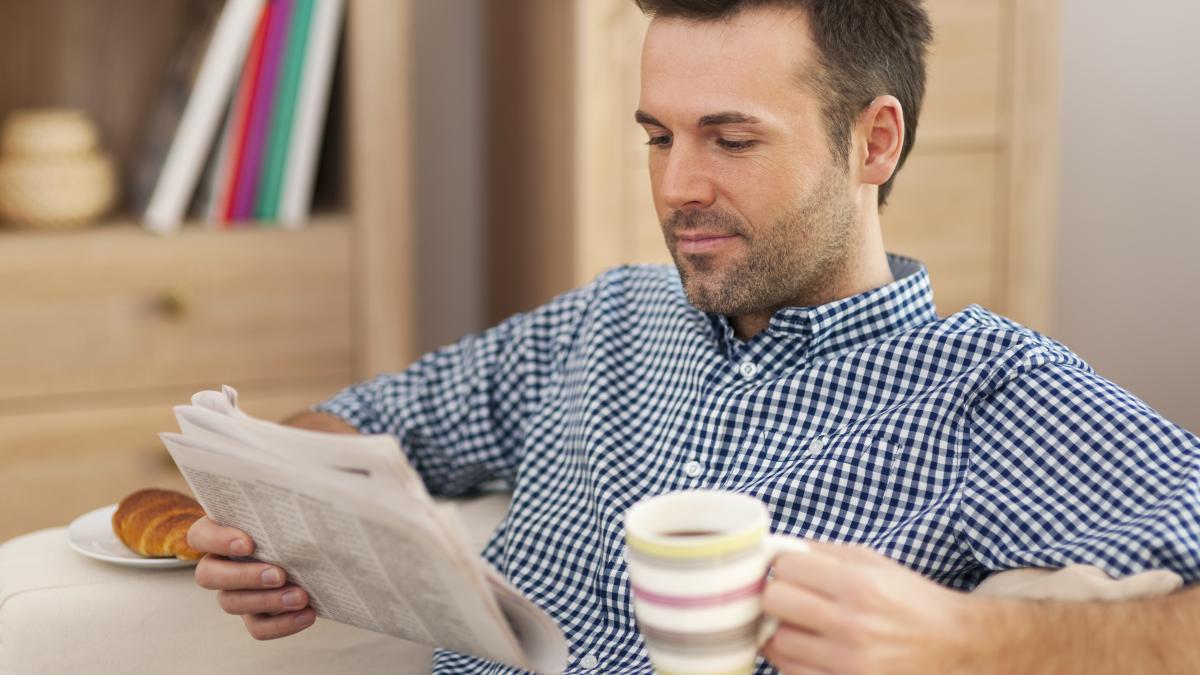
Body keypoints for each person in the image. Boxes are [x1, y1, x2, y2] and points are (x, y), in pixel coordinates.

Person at [187, 1, 1200, 673]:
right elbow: (356, 427)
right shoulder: (606, 321)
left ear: (874, 142)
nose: (678, 188)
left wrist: (970, 640)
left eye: (732, 138)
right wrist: (265, 524)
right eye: (658, 136)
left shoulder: (991, 390)